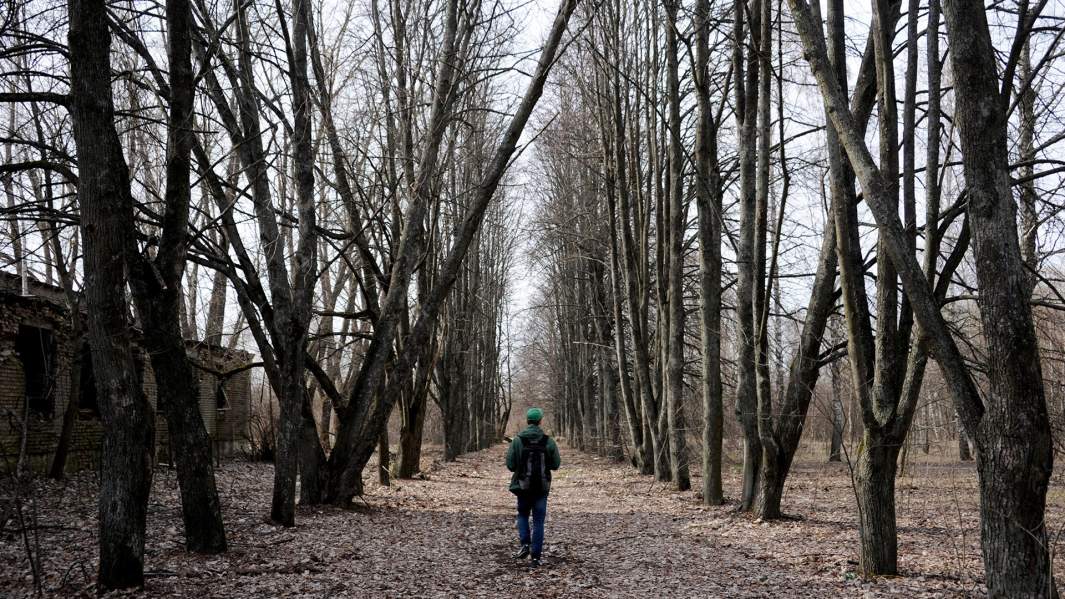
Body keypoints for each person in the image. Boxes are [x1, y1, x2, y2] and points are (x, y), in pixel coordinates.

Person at [505, 407, 561, 567]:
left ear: (527, 421)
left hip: (522, 486)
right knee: (538, 521)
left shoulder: (517, 440)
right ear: (540, 421)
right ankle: (536, 557)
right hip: (541, 488)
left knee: (522, 514)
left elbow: (510, 465)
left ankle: (525, 545)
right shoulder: (548, 441)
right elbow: (556, 464)